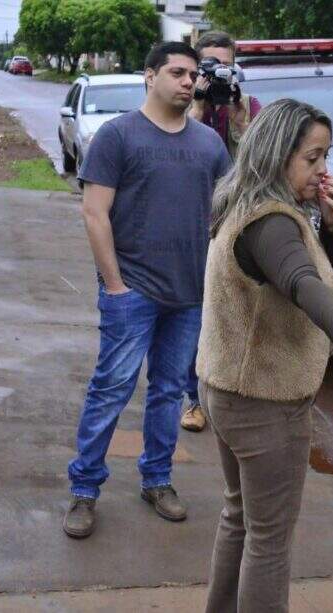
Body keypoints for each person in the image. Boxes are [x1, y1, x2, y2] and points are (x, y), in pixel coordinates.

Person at [199, 99, 333, 612]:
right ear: (277, 154)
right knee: (270, 540)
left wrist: (329, 225)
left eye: (326, 156)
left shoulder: (244, 203)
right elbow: (301, 281)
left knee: (240, 517)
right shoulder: (271, 223)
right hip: (263, 403)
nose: (324, 169)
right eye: (312, 157)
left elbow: (305, 271)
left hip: (226, 390)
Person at [63, 42, 231, 539]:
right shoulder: (118, 137)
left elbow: (225, 215)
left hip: (188, 296)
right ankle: (85, 490)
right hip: (132, 293)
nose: (187, 81)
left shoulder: (209, 145)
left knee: (166, 394)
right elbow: (94, 213)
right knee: (110, 390)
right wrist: (115, 285)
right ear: (149, 75)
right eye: (176, 72)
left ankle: (157, 480)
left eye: (192, 74)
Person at [181, 30, 262, 434]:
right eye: (208, 66)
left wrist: (241, 123)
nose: (216, 75)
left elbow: (258, 170)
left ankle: (228, 392)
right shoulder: (181, 103)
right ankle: (193, 400)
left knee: (230, 312)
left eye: (223, 66)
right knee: (192, 316)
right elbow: (174, 156)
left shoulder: (249, 106)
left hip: (232, 225)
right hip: (190, 225)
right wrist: (196, 105)